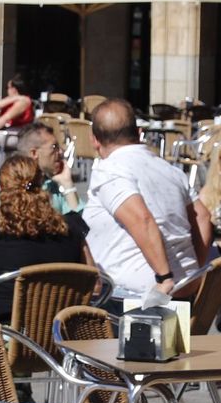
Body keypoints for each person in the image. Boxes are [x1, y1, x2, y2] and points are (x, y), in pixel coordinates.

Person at [82, 97, 207, 302]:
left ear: (94, 140)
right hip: (184, 289)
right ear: (139, 133)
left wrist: (165, 278)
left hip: (135, 299)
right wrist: (191, 271)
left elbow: (142, 220)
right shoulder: (170, 170)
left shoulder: (109, 170)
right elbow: (203, 217)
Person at [0, 155, 90, 324]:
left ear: (0, 188)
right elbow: (94, 285)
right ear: (41, 186)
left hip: (3, 337)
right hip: (60, 336)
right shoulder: (71, 226)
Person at [0, 122, 83, 215]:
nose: (60, 152)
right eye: (54, 147)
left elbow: (80, 224)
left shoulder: (54, 186)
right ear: (34, 153)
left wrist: (67, 184)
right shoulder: (4, 186)